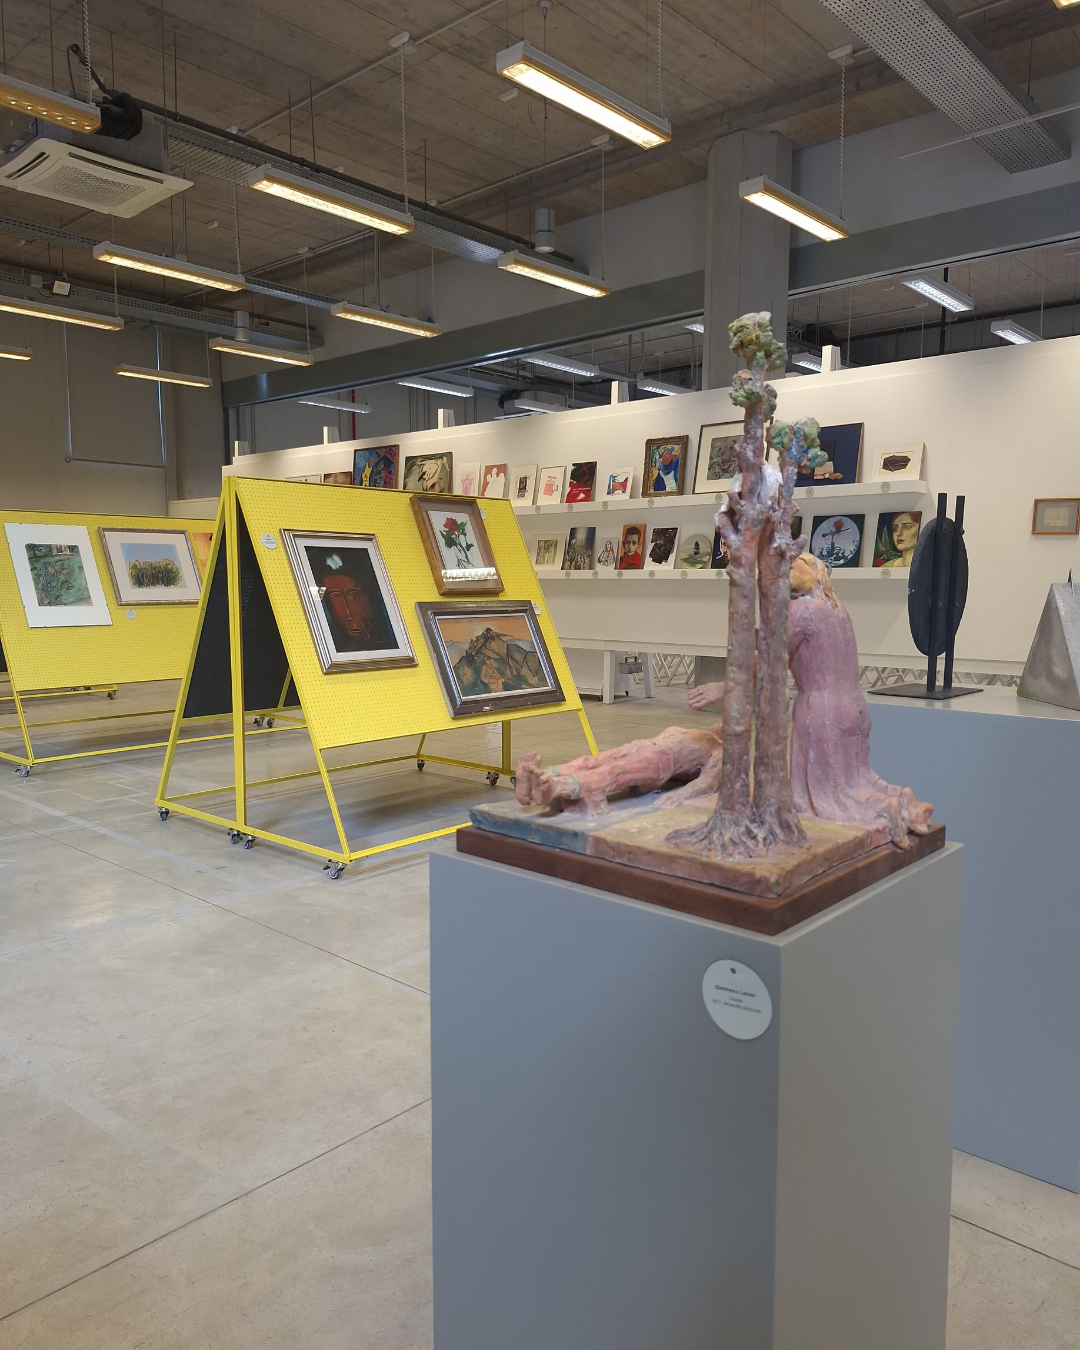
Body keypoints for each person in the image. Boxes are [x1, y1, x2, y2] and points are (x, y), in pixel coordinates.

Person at [787, 553, 932, 845]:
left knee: (831, 796)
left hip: (821, 710)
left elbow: (770, 658)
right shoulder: (839, 611)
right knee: (857, 780)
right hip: (855, 707)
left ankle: (884, 808)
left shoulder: (800, 610)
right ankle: (899, 797)